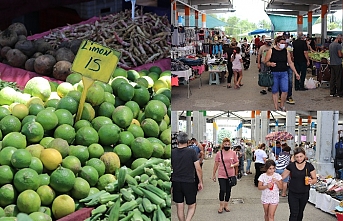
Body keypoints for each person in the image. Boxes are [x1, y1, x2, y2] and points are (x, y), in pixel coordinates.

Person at [172, 132, 203, 221]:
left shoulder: (172, 152)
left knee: (179, 207)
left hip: (176, 182)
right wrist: (200, 181)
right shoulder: (191, 152)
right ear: (188, 141)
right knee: (191, 205)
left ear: (177, 141)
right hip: (189, 182)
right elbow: (198, 168)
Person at [265, 36, 300, 111]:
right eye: (282, 43)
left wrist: (296, 73)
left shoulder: (286, 51)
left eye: (285, 43)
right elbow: (266, 61)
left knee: (285, 90)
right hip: (274, 73)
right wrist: (270, 64)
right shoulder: (271, 51)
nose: (284, 44)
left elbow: (290, 63)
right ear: (277, 43)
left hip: (284, 73)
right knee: (275, 91)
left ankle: (282, 105)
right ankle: (276, 107)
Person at [281, 147, 317, 221]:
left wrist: (311, 181)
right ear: (294, 157)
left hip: (304, 193)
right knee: (294, 213)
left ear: (304, 155)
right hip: (293, 193)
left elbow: (315, 179)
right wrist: (272, 177)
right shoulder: (291, 166)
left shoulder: (309, 166)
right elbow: (282, 176)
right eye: (297, 157)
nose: (299, 159)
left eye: (301, 156)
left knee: (300, 213)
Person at [212, 137, 239, 214]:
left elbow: (237, 162)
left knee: (228, 190)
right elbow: (216, 164)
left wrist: (233, 165)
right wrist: (213, 174)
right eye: (225, 144)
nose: (227, 145)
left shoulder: (233, 153)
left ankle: (226, 205)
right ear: (223, 145)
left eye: (228, 144)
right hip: (221, 175)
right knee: (222, 189)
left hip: (230, 175)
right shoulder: (219, 153)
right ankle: (221, 205)